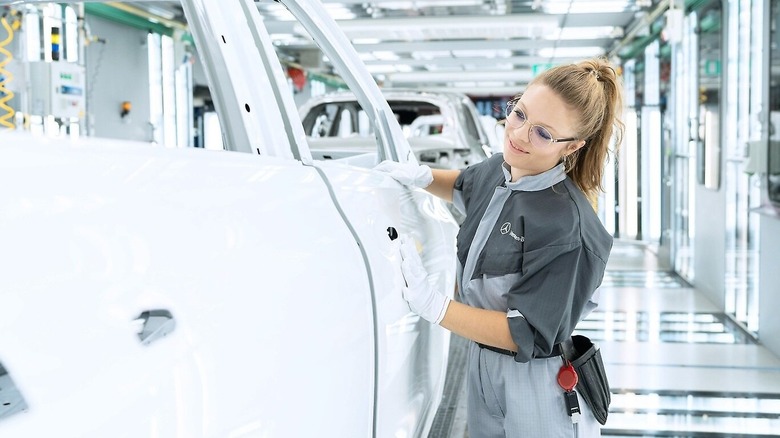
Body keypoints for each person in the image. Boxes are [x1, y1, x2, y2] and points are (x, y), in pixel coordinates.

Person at [374, 57, 624, 437]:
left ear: (572, 146)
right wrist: (421, 177)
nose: (520, 135)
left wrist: (435, 306)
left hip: (537, 380)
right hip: (483, 361)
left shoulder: (568, 228)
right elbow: (463, 184)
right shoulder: (500, 167)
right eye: (519, 113)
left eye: (543, 133)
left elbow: (524, 333)